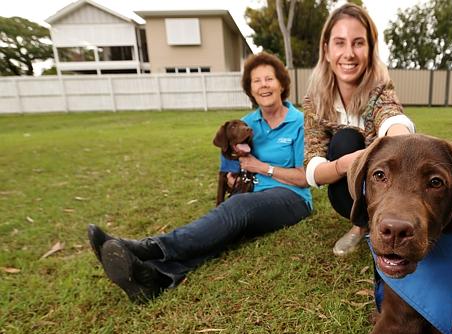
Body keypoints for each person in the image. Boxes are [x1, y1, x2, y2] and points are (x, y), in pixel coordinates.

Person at [87, 52, 312, 303]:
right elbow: (228, 161)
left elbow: (304, 178)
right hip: (250, 198)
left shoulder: (299, 122)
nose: (264, 85)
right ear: (250, 90)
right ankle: (156, 277)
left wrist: (262, 167)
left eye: (269, 78)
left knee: (236, 209)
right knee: (225, 229)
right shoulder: (245, 124)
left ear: (282, 83)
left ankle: (148, 248)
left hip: (292, 198)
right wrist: (230, 178)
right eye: (256, 81)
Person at [303, 3, 415, 256]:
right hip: (346, 191)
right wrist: (346, 164)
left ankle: (385, 223)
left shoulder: (380, 89)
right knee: (344, 140)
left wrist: (398, 143)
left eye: (358, 43)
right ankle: (359, 225)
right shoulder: (314, 101)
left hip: (387, 188)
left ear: (370, 49)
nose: (349, 53)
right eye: (340, 43)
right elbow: (313, 169)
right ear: (327, 50)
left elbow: (392, 118)